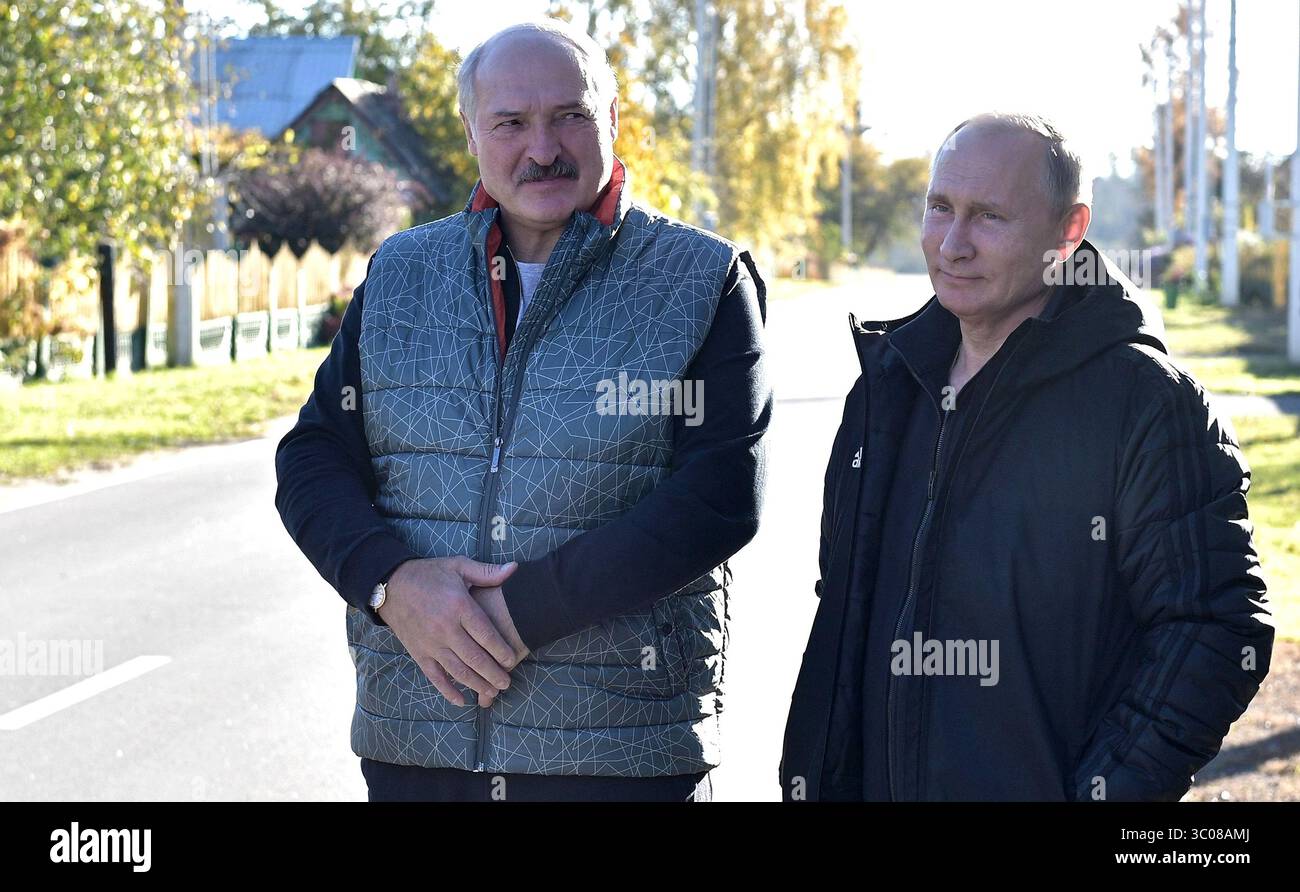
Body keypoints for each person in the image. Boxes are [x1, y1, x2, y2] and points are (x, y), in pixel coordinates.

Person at [274, 18, 770, 802]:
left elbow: (716, 500)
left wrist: (514, 613)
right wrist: (391, 584)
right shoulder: (403, 272)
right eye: (510, 123)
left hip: (617, 758)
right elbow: (312, 457)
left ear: (610, 121)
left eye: (570, 116)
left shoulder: (701, 278)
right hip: (420, 748)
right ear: (473, 132)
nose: (543, 148)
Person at [779, 112, 1273, 801]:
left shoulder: (1144, 402)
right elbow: (843, 608)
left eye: (989, 218)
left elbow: (1218, 626)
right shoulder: (886, 386)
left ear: (1068, 232)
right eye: (940, 208)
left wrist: (1106, 792)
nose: (953, 244)